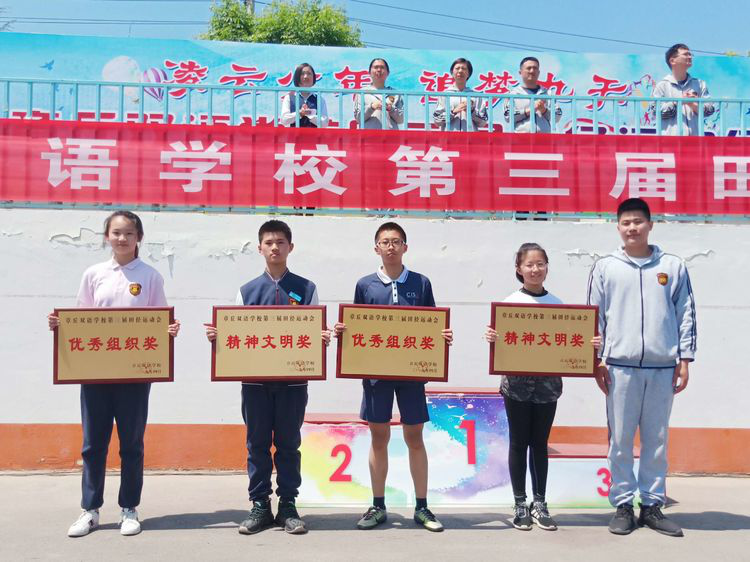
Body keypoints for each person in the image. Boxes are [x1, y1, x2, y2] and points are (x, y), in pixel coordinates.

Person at [47, 210, 181, 538]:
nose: (122, 239)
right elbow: (81, 319)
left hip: (134, 375)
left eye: (129, 233)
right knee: (93, 444)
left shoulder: (150, 276)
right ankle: (90, 509)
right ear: (107, 236)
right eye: (116, 233)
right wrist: (60, 326)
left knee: (131, 444)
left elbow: (159, 319)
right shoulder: (94, 274)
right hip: (96, 373)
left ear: (139, 238)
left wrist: (169, 330)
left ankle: (129, 508)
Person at [205, 220, 331, 536]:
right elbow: (234, 334)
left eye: (280, 242)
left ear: (291, 247)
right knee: (257, 444)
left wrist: (322, 338)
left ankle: (288, 506)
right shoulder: (246, 291)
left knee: (289, 444)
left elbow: (314, 333)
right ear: (260, 248)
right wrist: (219, 337)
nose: (275, 247)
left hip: (293, 383)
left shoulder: (307, 288)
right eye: (269, 242)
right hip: (255, 384)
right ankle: (260, 505)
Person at [334, 222, 453, 532]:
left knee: (415, 437)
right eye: (385, 242)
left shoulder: (421, 282)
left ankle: (422, 507)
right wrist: (344, 332)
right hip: (376, 375)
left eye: (396, 241)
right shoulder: (365, 285)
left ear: (405, 247)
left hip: (411, 373)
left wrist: (442, 337)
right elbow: (357, 325)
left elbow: (432, 324)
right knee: (379, 437)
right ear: (376, 248)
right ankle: (378, 505)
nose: (390, 246)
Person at [587, 198, 696, 538]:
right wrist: (596, 361)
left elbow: (685, 313)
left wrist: (685, 359)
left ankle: (651, 505)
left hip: (662, 366)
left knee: (656, 439)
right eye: (626, 222)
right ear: (618, 227)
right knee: (619, 439)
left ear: (650, 225)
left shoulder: (673, 266)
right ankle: (623, 504)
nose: (632, 227)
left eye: (638, 221)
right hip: (619, 367)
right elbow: (593, 317)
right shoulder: (605, 267)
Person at [485, 243, 600, 531]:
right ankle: (519, 503)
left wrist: (590, 343)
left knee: (539, 443)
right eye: (529, 265)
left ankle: (540, 502)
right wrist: (493, 338)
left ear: (547, 267)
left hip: (547, 385)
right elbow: (502, 342)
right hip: (516, 385)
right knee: (518, 442)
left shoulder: (558, 305)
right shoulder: (510, 303)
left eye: (540, 264)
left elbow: (571, 341)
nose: (535, 269)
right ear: (519, 269)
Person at [652, 44, 715, 136]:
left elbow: (710, 110)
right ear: (672, 61)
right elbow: (656, 112)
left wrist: (693, 104)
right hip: (670, 139)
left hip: (695, 138)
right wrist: (679, 102)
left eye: (690, 54)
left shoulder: (700, 84)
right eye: (685, 54)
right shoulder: (662, 85)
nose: (690, 57)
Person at [504, 57, 562, 133]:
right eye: (528, 68)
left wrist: (544, 110)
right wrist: (530, 110)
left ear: (539, 72)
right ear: (520, 72)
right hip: (521, 138)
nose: (532, 71)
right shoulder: (513, 94)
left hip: (544, 138)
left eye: (535, 68)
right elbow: (508, 116)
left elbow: (557, 116)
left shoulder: (548, 93)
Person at [433, 58, 487, 131]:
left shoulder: (475, 96)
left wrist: (471, 111)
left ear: (468, 74)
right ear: (452, 73)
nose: (460, 71)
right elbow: (437, 121)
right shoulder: (444, 95)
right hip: (449, 137)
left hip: (470, 137)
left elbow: (483, 122)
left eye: (464, 68)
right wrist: (453, 112)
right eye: (457, 68)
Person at [353, 58, 404, 130]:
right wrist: (371, 107)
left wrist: (391, 109)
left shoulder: (395, 94)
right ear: (369, 72)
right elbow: (358, 118)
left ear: (388, 73)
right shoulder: (362, 93)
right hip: (368, 135)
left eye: (382, 67)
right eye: (376, 67)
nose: (379, 70)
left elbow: (401, 119)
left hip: (390, 135)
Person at [280, 63, 329, 128]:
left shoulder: (320, 99)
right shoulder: (289, 98)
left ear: (313, 78)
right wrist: (299, 113)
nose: (306, 77)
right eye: (302, 74)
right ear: (297, 77)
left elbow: (324, 123)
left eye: (309, 74)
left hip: (313, 134)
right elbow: (284, 120)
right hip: (294, 134)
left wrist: (310, 115)